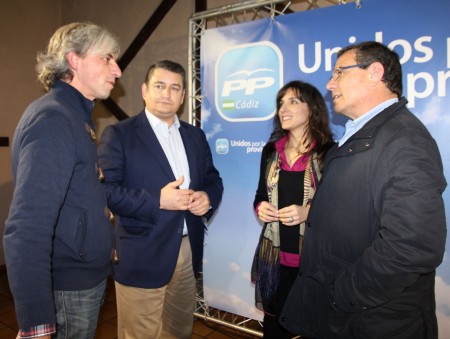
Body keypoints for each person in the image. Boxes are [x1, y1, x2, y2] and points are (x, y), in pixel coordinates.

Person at [280, 41, 447, 339]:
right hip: (350, 318)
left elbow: (412, 247)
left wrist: (340, 293)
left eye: (339, 73)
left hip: (371, 320)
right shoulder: (364, 136)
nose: (330, 84)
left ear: (374, 72)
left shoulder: (404, 140)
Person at [4, 22, 122, 339]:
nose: (118, 69)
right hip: (70, 288)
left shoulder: (72, 114)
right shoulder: (55, 118)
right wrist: (37, 323)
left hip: (80, 280)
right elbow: (26, 227)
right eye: (107, 58)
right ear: (74, 60)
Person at [97, 59, 223, 339]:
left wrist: (207, 196)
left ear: (182, 96)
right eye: (159, 86)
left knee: (179, 331)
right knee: (140, 334)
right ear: (144, 90)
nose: (167, 93)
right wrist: (158, 200)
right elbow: (105, 192)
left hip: (188, 248)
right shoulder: (119, 135)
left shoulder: (195, 136)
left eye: (174, 88)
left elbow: (213, 179)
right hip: (142, 250)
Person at [251, 80, 334, 338]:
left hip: (313, 262)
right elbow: (259, 196)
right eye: (281, 103)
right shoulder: (270, 151)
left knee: (314, 328)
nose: (283, 109)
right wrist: (261, 208)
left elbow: (338, 209)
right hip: (274, 258)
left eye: (293, 101)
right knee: (274, 329)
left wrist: (309, 213)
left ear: (312, 108)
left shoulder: (330, 153)